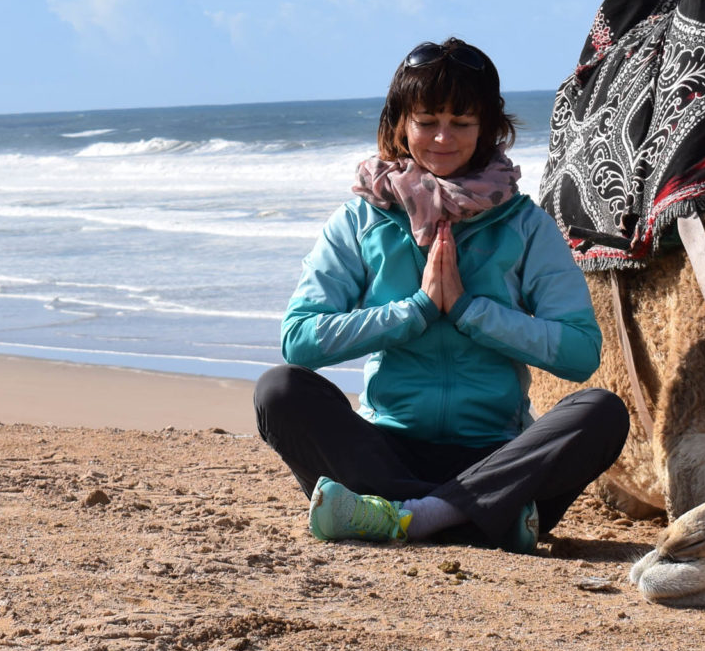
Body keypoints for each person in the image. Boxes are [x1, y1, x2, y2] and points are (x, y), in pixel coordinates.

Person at [253, 37, 628, 552]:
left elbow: (580, 353)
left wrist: (473, 311)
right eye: (427, 121)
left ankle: (403, 516)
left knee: (602, 411)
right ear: (400, 124)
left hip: (497, 456)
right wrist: (419, 309)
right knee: (279, 390)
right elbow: (300, 340)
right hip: (387, 449)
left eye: (462, 122)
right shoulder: (361, 220)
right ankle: (472, 517)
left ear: (490, 129)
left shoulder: (525, 225)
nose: (443, 137)